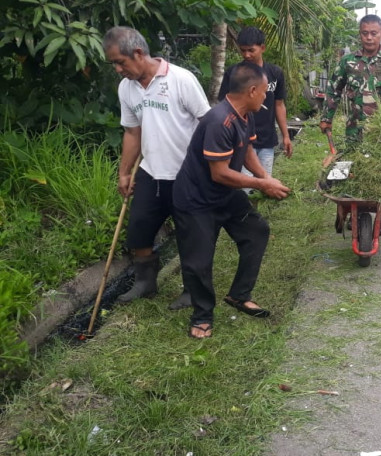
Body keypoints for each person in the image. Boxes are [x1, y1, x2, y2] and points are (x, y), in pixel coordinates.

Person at [172, 61, 291, 339]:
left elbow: (247, 148)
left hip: (224, 195)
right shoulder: (218, 121)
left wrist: (264, 177)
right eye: (263, 92)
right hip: (196, 200)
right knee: (199, 260)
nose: (265, 97)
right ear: (251, 90)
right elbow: (221, 173)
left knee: (256, 231)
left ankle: (239, 295)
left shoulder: (245, 114)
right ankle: (202, 315)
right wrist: (261, 183)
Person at [104, 26, 210, 306]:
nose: (117, 69)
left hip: (186, 174)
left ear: (138, 53)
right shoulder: (126, 88)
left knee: (190, 234)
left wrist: (208, 168)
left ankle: (192, 289)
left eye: (120, 62)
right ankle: (145, 282)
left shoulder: (181, 80)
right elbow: (132, 132)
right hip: (151, 171)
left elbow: (207, 123)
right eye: (113, 63)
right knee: (139, 227)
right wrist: (124, 172)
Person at [319, 14, 381, 142]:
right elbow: (333, 90)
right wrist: (326, 118)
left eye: (374, 33)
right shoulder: (348, 62)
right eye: (365, 33)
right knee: (353, 161)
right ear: (360, 34)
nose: (369, 38)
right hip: (354, 132)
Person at [218, 26, 292, 177]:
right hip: (241, 141)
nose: (247, 55)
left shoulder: (275, 73)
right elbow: (224, 107)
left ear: (262, 48)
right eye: (243, 50)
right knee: (244, 187)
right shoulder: (233, 74)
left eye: (251, 50)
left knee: (264, 184)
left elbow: (279, 104)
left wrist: (285, 135)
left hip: (266, 140)